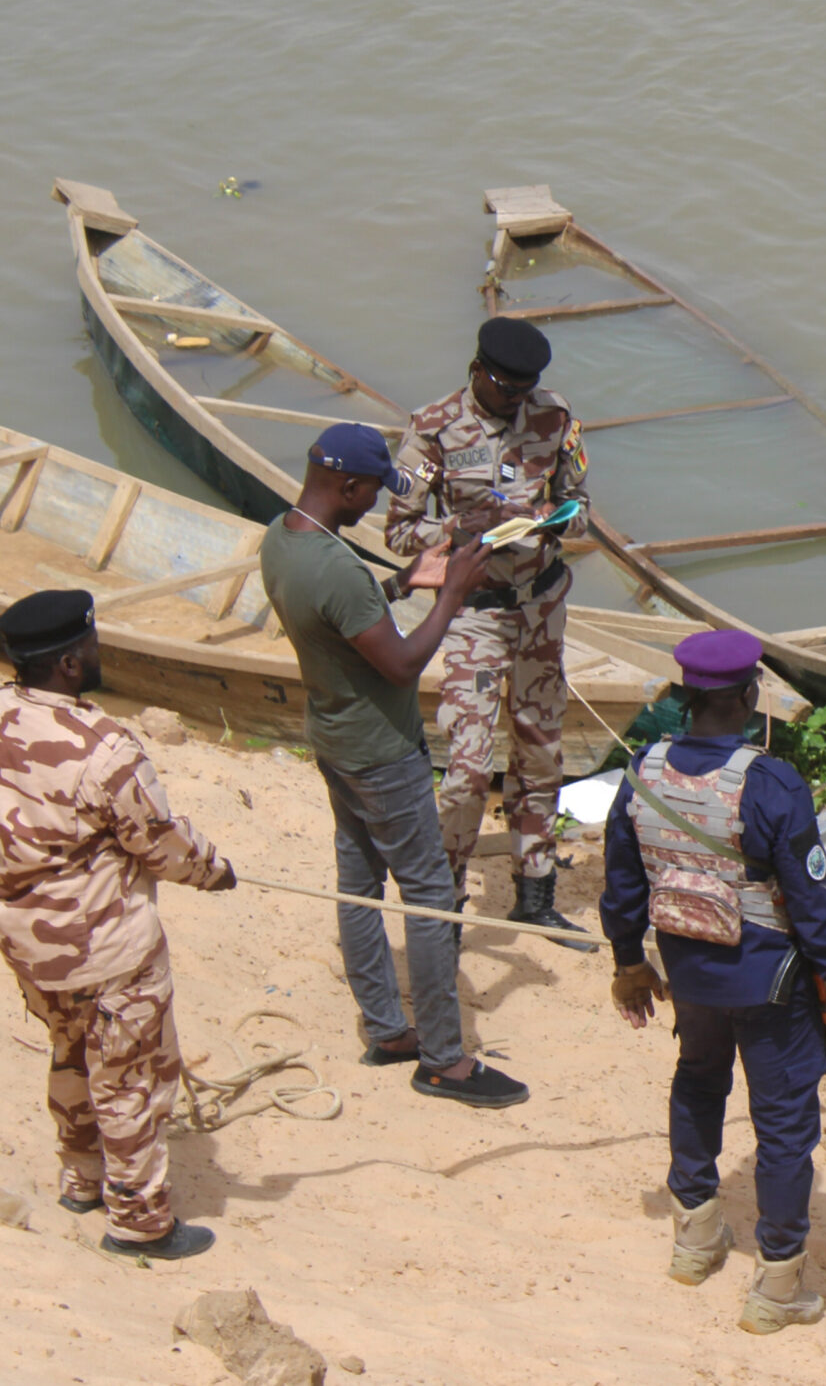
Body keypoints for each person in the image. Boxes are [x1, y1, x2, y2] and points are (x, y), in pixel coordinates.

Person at [601, 630, 826, 1334]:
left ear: (685, 695)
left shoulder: (642, 771)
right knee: (784, 1125)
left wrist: (628, 962)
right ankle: (777, 1287)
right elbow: (815, 907)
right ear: (751, 694)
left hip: (688, 975)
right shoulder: (770, 783)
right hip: (769, 985)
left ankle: (695, 1238)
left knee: (697, 1083)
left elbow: (623, 884)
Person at [261, 423, 527, 1108]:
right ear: (347, 486)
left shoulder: (282, 539)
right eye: (372, 490)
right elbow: (403, 663)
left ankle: (385, 1028)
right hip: (383, 753)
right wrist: (451, 594)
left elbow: (343, 615)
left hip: (334, 738)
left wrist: (405, 580)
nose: (377, 502)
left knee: (358, 885)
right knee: (430, 898)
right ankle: (443, 1060)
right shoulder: (337, 569)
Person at [0, 591, 236, 1259]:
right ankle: (140, 1223)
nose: (100, 650)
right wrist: (217, 871)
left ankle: (82, 1179)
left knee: (71, 1051)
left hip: (28, 944)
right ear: (70, 663)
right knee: (132, 1080)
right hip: (107, 952)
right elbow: (160, 844)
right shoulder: (104, 746)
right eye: (93, 642)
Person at [386, 314, 592, 939]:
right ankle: (444, 901)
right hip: (473, 614)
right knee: (469, 767)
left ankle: (535, 893)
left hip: (541, 609)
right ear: (478, 372)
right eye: (506, 390)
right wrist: (459, 527)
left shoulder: (554, 417)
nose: (516, 401)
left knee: (541, 752)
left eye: (526, 391)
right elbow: (399, 531)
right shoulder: (432, 429)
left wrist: (557, 519)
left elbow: (582, 509)